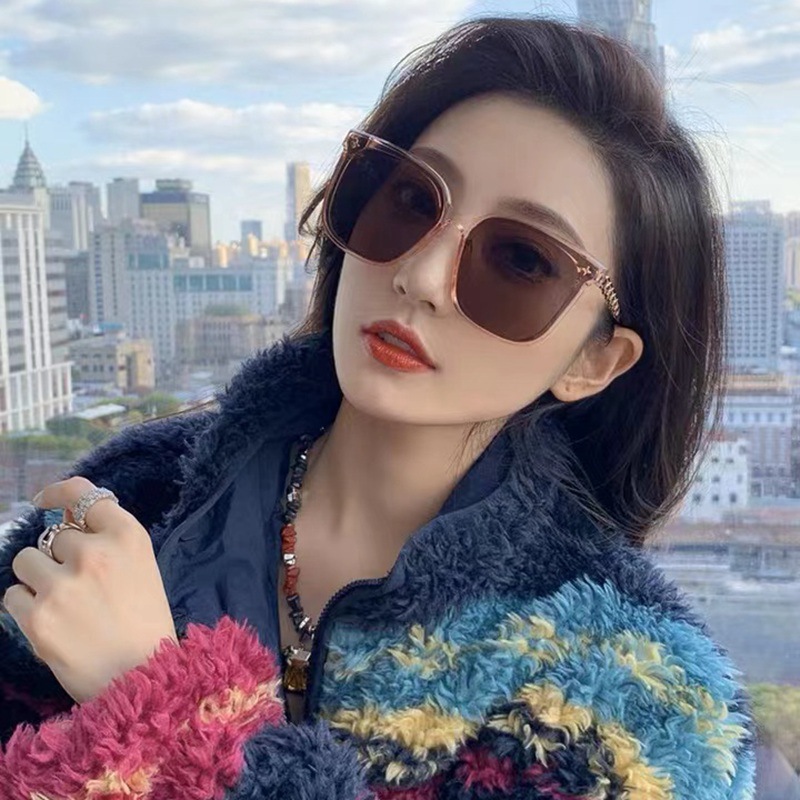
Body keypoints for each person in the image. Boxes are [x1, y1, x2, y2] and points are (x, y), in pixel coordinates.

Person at [0, 14, 757, 800]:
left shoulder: (643, 704)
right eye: (412, 199)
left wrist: (158, 704)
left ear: (595, 361)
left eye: (521, 260)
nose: (420, 276)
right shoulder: (136, 503)